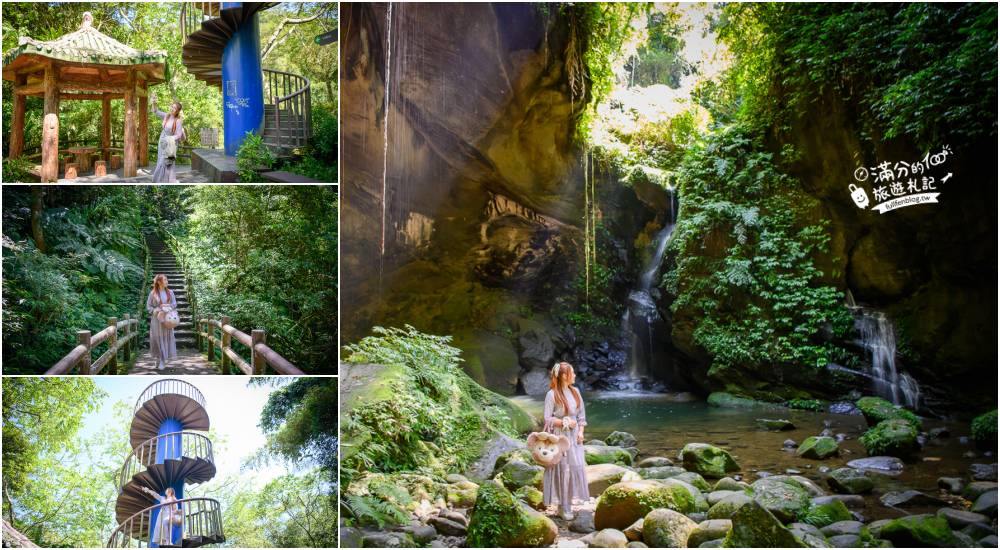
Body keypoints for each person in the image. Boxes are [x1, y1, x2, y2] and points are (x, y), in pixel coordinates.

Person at [543, 361, 589, 521]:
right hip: (559, 437)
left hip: (575, 437)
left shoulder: (576, 391)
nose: (575, 375)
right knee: (561, 469)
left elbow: (581, 417)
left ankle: (568, 503)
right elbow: (546, 418)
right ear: (564, 376)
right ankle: (562, 506)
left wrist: (581, 432)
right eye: (572, 372)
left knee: (574, 467)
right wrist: (563, 422)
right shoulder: (552, 394)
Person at [150, 95, 187, 183]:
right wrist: (154, 101)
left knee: (166, 162)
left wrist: (168, 139)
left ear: (177, 111)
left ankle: (168, 181)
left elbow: (178, 135)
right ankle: (160, 180)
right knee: (160, 160)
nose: (172, 109)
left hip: (171, 142)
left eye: (175, 108)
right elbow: (155, 111)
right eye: (172, 107)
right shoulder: (166, 116)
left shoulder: (178, 121)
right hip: (162, 139)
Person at [146, 274, 177, 370]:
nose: (167, 281)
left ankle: (163, 361)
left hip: (167, 318)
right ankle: (158, 358)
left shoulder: (170, 292)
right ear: (159, 282)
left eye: (167, 280)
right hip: (156, 319)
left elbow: (174, 304)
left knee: (165, 338)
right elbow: (148, 306)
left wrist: (166, 307)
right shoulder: (153, 293)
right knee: (157, 339)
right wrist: (154, 310)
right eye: (165, 280)